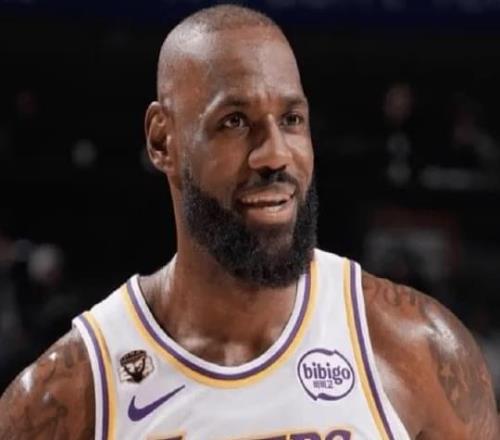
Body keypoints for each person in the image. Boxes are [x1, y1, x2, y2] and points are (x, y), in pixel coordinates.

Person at [0, 5, 498, 439]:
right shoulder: (65, 398)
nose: (274, 154)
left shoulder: (419, 351)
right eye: (234, 122)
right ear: (162, 141)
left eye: (291, 120)